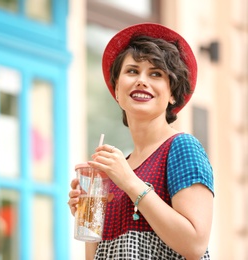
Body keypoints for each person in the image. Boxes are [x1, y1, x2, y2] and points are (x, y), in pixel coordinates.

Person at [68, 23, 214, 259]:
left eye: (155, 74)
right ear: (116, 90)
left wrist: (129, 181)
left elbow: (195, 244)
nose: (141, 81)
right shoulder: (115, 172)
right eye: (132, 71)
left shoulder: (182, 148)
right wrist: (88, 218)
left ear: (173, 93)